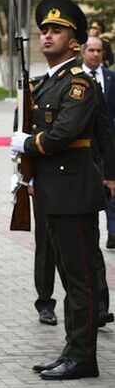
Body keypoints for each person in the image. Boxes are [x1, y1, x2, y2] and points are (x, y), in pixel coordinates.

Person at [11, 0, 105, 380]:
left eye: (57, 30)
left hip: (73, 191)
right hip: (51, 192)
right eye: (44, 30)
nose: (47, 35)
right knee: (67, 274)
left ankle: (83, 357)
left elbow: (63, 133)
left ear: (75, 41)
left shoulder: (79, 84)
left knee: (80, 278)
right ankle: (72, 348)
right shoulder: (45, 84)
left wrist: (27, 144)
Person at [81, 37, 115, 327]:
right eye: (90, 50)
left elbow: (105, 129)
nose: (94, 55)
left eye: (98, 50)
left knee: (91, 244)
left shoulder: (100, 82)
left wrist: (111, 173)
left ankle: (100, 307)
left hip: (98, 162)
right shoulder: (76, 81)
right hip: (76, 169)